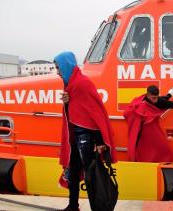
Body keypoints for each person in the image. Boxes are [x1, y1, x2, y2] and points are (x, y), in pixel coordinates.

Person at [54, 51, 117, 211]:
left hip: (86, 138)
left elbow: (95, 113)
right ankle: (73, 206)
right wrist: (67, 103)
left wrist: (100, 141)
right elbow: (77, 112)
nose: (58, 72)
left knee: (91, 175)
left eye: (59, 68)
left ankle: (98, 207)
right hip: (76, 138)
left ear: (66, 66)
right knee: (74, 172)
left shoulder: (82, 83)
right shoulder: (71, 85)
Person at [124, 85, 173, 162]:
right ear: (148, 96)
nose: (155, 100)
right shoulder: (140, 102)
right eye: (154, 98)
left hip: (152, 130)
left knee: (164, 149)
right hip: (142, 131)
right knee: (141, 149)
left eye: (157, 97)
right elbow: (127, 112)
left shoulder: (157, 101)